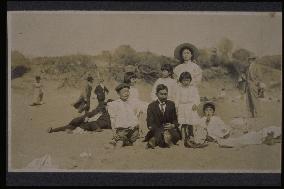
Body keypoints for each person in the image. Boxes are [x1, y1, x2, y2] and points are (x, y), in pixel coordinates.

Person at [196, 102, 281, 148]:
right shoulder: (201, 121)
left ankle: (271, 132)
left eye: (210, 110)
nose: (208, 112)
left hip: (227, 135)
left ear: (213, 112)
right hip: (220, 139)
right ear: (204, 112)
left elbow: (224, 128)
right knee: (245, 140)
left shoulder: (217, 119)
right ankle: (269, 136)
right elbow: (201, 133)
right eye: (206, 110)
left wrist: (225, 133)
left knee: (248, 137)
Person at [144, 84, 181, 149]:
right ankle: (161, 139)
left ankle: (155, 141)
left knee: (176, 136)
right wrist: (162, 130)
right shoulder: (151, 106)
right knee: (160, 135)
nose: (164, 96)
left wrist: (172, 125)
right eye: (161, 94)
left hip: (169, 129)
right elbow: (150, 123)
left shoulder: (171, 104)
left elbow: (175, 120)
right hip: (157, 129)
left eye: (165, 94)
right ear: (156, 94)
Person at [47, 99, 113, 133]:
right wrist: (86, 117)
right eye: (107, 105)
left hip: (91, 124)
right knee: (73, 123)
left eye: (109, 105)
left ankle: (72, 131)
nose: (107, 107)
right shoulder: (99, 109)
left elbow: (108, 124)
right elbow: (90, 113)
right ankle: (53, 130)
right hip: (85, 120)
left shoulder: (109, 114)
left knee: (78, 126)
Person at [174, 72, 201, 147]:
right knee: (183, 123)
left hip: (190, 107)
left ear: (190, 80)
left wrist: (195, 104)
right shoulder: (179, 89)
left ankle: (191, 136)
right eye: (184, 80)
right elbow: (177, 99)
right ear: (181, 81)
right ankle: (183, 138)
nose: (186, 82)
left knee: (190, 123)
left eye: (187, 80)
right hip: (182, 107)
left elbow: (197, 97)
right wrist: (176, 106)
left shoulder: (193, 88)